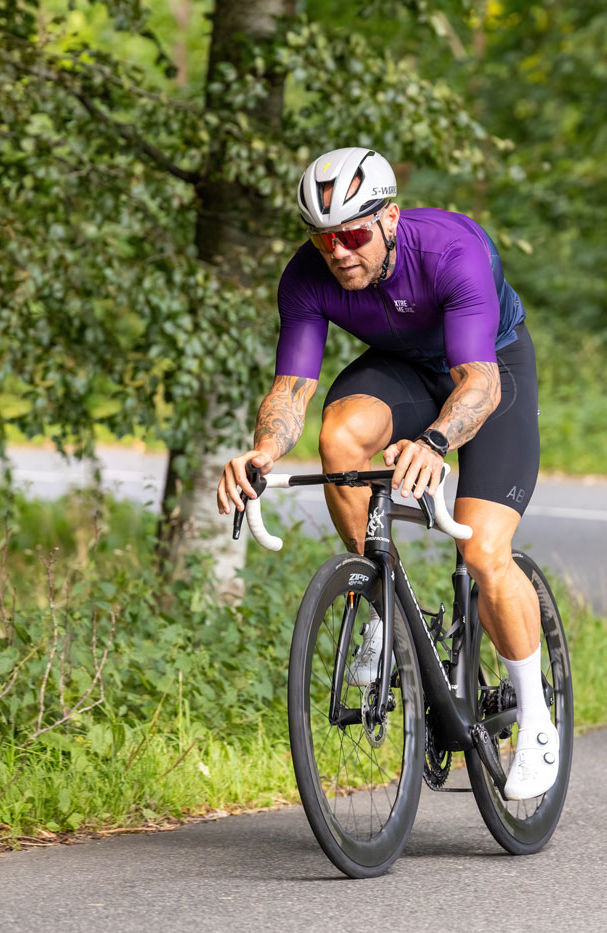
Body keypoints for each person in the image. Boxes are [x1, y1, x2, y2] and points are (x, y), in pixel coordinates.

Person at [216, 147, 554, 798]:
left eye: (351, 233)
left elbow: (477, 385)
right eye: (322, 239)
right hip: (404, 367)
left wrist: (432, 442)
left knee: (484, 550)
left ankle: (536, 719)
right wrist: (261, 453)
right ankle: (380, 599)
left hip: (490, 369)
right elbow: (292, 387)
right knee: (339, 436)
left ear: (390, 218)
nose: (338, 251)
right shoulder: (306, 277)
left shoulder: (450, 249)